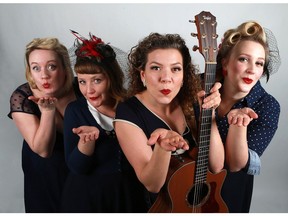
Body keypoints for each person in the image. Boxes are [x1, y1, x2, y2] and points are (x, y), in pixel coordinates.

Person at [113, 32, 224, 210]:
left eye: (175, 69)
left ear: (183, 76)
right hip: (153, 205)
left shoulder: (191, 101)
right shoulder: (128, 113)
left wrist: (209, 112)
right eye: (156, 68)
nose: (166, 77)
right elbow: (152, 185)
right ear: (143, 75)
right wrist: (162, 148)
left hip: (193, 203)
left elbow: (216, 165)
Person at [61, 31, 148, 213]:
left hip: (129, 198)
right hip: (87, 199)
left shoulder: (133, 107)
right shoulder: (75, 111)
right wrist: (87, 143)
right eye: (82, 82)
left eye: (97, 80)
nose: (88, 90)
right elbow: (77, 168)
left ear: (112, 78)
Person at [7, 37, 82, 212]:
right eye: (36, 68)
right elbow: (43, 150)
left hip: (83, 171)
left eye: (51, 66)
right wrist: (48, 112)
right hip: (46, 178)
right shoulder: (22, 96)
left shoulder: (82, 87)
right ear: (30, 71)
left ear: (64, 68)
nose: (44, 75)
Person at [215, 21, 281, 212]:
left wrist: (239, 124)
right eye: (244, 59)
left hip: (230, 189)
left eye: (259, 63)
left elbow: (236, 165)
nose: (252, 69)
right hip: (182, 181)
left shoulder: (267, 106)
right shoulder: (199, 85)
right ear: (225, 61)